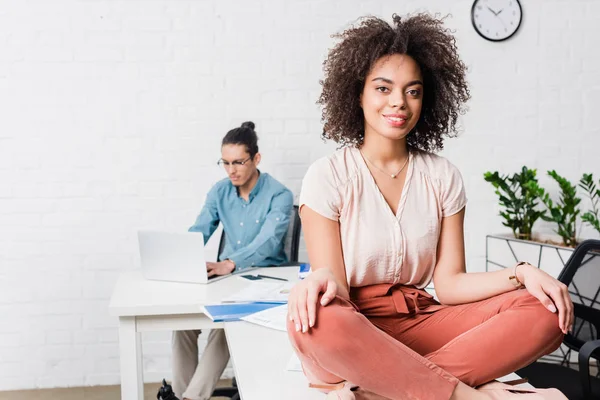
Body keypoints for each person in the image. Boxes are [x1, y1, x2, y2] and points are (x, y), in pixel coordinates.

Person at [286, 14, 572, 400]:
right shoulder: (328, 175)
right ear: (358, 93)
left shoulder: (442, 176)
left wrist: (523, 273)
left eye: (413, 91)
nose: (398, 103)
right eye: (383, 88)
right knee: (315, 320)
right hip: (354, 325)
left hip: (422, 320)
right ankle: (459, 395)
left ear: (427, 99)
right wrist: (319, 282)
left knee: (546, 308)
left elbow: (450, 284)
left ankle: (385, 389)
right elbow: (334, 283)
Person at [172, 121, 294, 400]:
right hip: (227, 280)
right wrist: (181, 257)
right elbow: (201, 230)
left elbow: (268, 243)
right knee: (183, 324)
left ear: (256, 159)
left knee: (225, 326)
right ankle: (183, 395)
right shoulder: (220, 191)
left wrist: (229, 262)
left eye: (238, 162)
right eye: (225, 163)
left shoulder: (279, 194)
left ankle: (193, 398)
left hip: (267, 278)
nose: (231, 170)